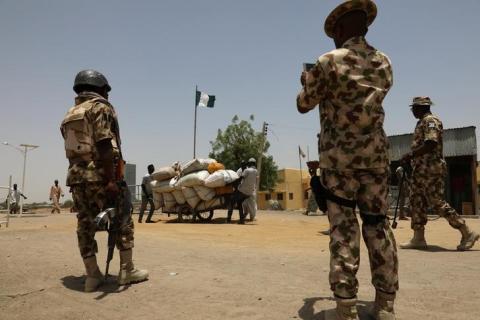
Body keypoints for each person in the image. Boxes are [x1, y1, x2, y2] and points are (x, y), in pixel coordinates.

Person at [296, 1, 398, 319]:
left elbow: (303, 104)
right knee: (378, 227)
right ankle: (385, 305)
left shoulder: (328, 62)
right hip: (377, 161)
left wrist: (307, 82)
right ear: (365, 26)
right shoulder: (385, 62)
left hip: (339, 163)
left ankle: (345, 308)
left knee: (343, 229)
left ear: (339, 30)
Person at [60, 69, 148, 292]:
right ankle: (127, 270)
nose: (107, 95)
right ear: (99, 88)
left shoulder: (70, 114)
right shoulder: (100, 107)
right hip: (101, 175)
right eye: (106, 91)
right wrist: (111, 180)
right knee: (123, 219)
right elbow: (104, 145)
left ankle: (92, 276)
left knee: (85, 224)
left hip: (77, 178)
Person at [400, 97, 479, 251]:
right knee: (417, 200)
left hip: (431, 169)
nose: (412, 111)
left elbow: (431, 143)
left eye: (414, 108)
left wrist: (411, 155)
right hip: (420, 169)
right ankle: (418, 238)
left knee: (436, 202)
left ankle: (467, 232)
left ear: (421, 107)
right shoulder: (421, 122)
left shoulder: (431, 121)